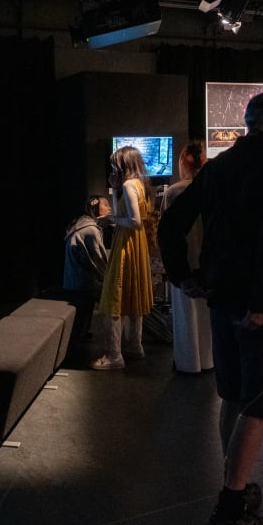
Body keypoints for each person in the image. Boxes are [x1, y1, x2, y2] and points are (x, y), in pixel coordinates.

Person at [158, 91, 263, 525]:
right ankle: (231, 508)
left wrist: (183, 275)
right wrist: (261, 303)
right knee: (256, 407)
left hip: (221, 300)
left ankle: (234, 482)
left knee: (235, 397)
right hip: (260, 310)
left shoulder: (218, 166)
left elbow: (171, 223)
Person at [90, 145, 154, 370]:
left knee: (114, 295)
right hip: (137, 245)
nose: (113, 168)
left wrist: (113, 221)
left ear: (124, 164)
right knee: (132, 292)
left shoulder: (128, 185)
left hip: (126, 244)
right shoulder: (140, 184)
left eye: (115, 164)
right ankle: (135, 346)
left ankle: (115, 355)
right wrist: (114, 191)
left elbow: (133, 221)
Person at [161, 140, 213, 374]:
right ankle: (209, 359)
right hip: (206, 259)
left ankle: (188, 363)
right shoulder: (213, 186)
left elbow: (167, 228)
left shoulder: (174, 191)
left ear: (183, 161)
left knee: (184, 313)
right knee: (207, 312)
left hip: (183, 259)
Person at [62, 195, 112, 349]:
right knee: (115, 296)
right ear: (95, 207)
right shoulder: (90, 230)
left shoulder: (81, 225)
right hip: (82, 283)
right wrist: (110, 278)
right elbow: (98, 261)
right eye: (106, 204)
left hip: (74, 281)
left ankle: (81, 334)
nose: (109, 207)